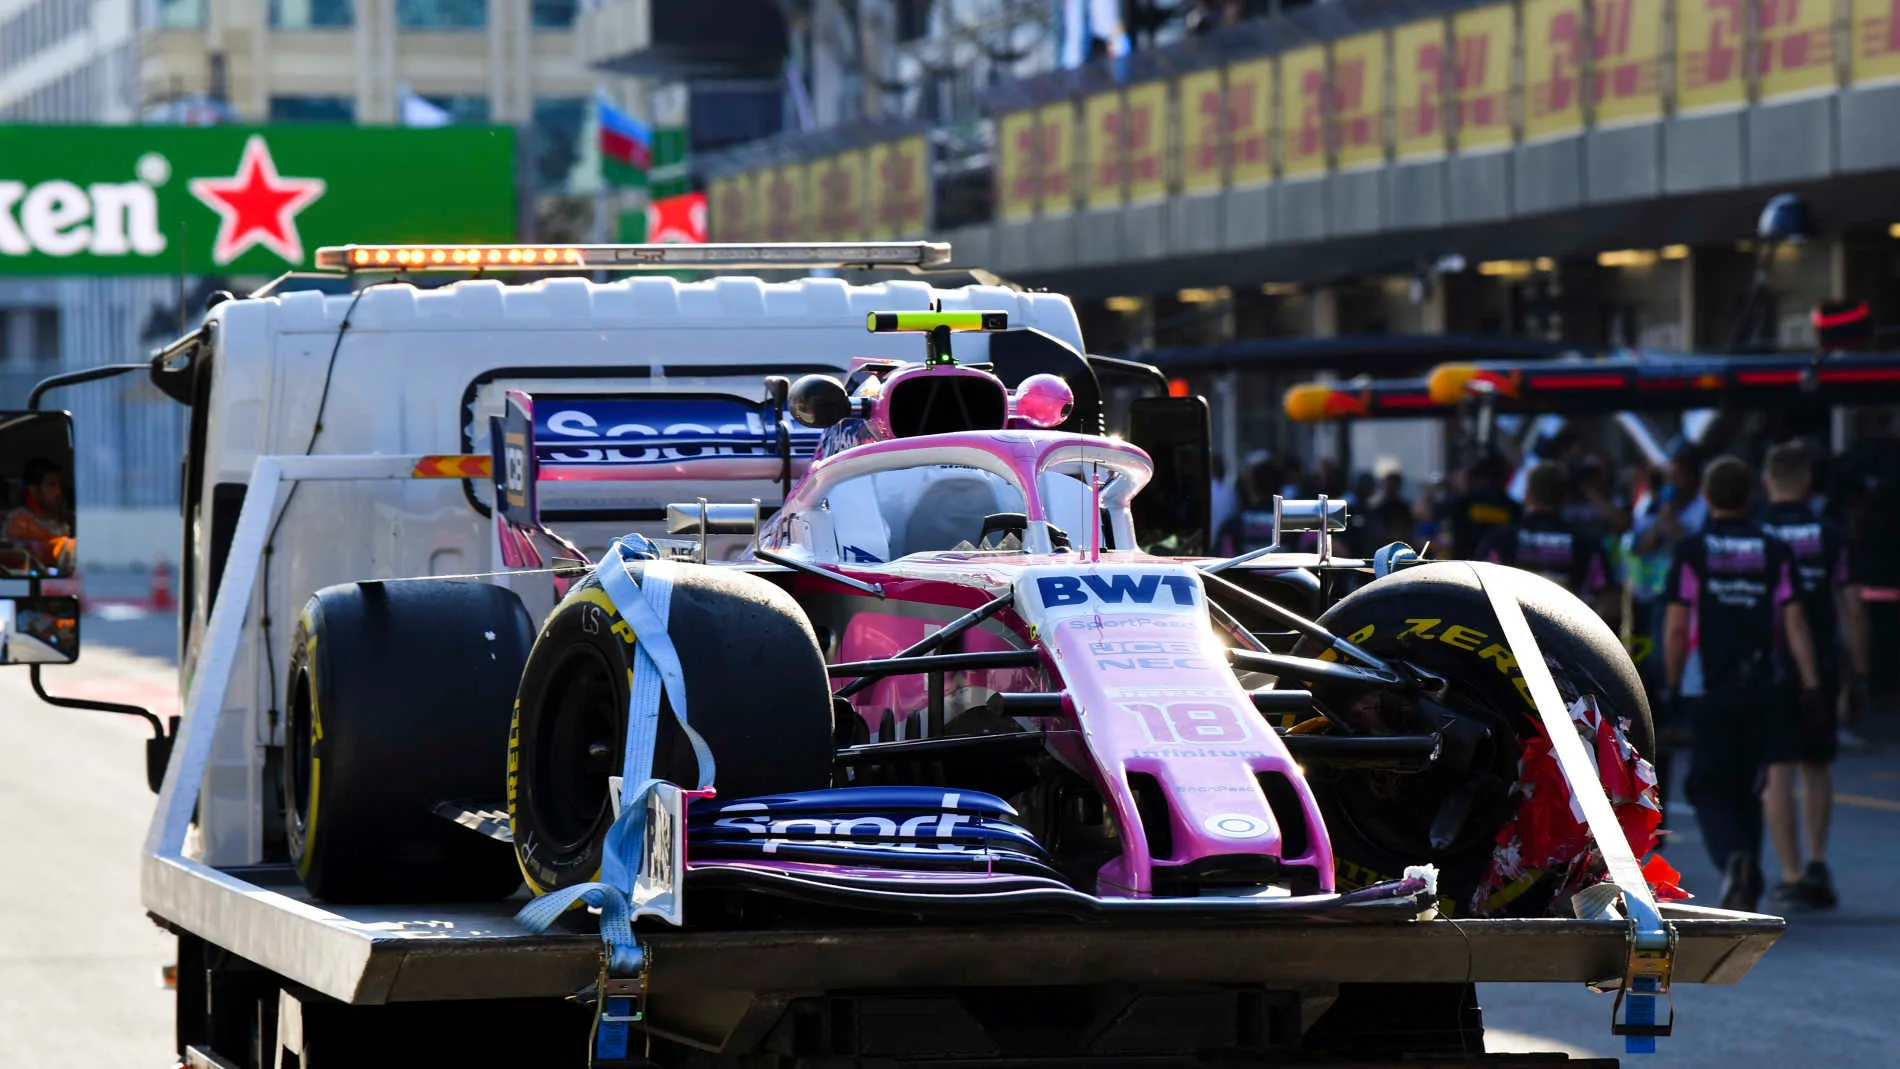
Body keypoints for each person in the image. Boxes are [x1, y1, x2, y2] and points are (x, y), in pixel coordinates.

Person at [1662, 456, 1825, 912]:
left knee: (1707, 785)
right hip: (1763, 686)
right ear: (1751, 495)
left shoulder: (1692, 550)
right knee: (1748, 784)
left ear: (1709, 496)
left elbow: (1677, 628)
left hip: (1708, 687)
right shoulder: (1775, 550)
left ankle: (1733, 857)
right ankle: (1748, 871)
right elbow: (1794, 621)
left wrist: (1672, 685)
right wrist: (1811, 684)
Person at [1757, 442, 1868, 911]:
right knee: (1816, 763)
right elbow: (1853, 605)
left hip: (1768, 663)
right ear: (1807, 480)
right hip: (1820, 660)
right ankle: (1818, 862)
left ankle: (1790, 873)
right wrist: (1859, 671)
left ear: (1768, 480)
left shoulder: (1755, 534)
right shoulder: (1831, 535)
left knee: (1777, 768)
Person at [1477, 461, 1619, 626]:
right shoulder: (1588, 546)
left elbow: (1480, 594)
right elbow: (1610, 607)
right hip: (1566, 638)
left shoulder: (1499, 542)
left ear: (1527, 495)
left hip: (1510, 638)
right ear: (1565, 498)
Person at [2, 458, 75, 577]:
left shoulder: (62, 523)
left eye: (59, 485)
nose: (58, 492)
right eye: (51, 485)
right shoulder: (19, 519)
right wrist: (65, 546)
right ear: (34, 490)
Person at [1439, 452, 1519, 558]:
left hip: (1467, 565)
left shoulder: (1463, 504)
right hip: (1501, 567)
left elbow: (1455, 540)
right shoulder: (1513, 508)